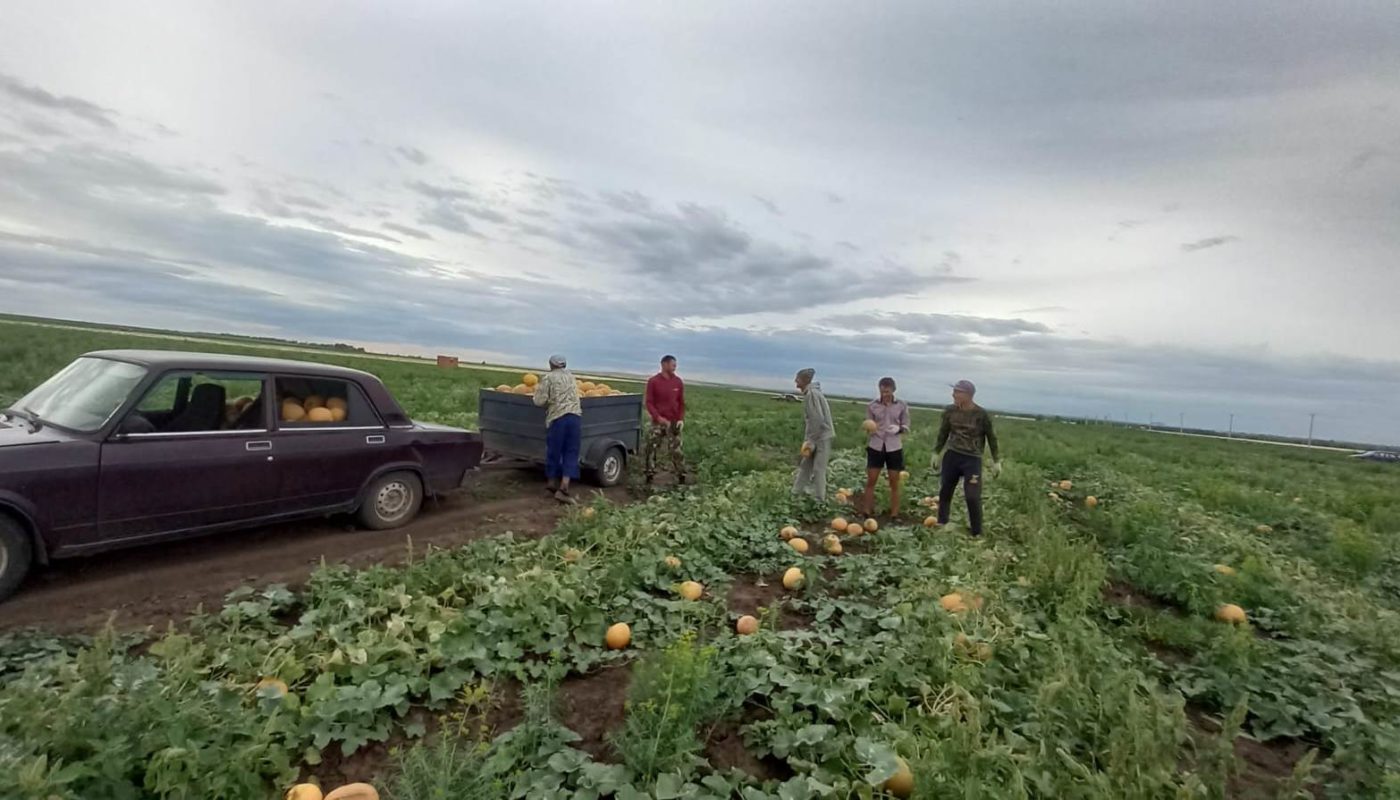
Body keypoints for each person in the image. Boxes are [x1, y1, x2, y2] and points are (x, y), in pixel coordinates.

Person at [931, 379, 1001, 536]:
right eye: (954, 391)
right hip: (952, 456)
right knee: (945, 491)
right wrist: (936, 452)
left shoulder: (981, 414)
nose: (953, 394)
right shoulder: (949, 411)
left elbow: (991, 437)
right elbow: (943, 432)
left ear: (968, 395)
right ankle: (942, 523)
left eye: (957, 392)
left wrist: (996, 461)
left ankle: (976, 532)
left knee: (972, 496)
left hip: (972, 459)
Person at [532, 354, 583, 504]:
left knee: (554, 450)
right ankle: (564, 487)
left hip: (558, 418)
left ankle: (551, 485)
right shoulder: (572, 377)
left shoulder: (548, 378)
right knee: (571, 451)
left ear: (551, 365)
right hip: (575, 417)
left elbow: (539, 401)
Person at [860, 377, 910, 518]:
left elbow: (907, 426)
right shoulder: (872, 405)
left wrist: (899, 429)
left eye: (887, 391)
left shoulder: (902, 405)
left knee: (894, 481)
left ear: (893, 390)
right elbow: (868, 423)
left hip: (894, 447)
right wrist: (869, 428)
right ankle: (867, 511)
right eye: (882, 392)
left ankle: (894, 514)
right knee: (871, 479)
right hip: (876, 445)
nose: (885, 395)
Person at [644, 354, 688, 485]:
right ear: (664, 364)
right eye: (672, 364)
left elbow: (681, 402)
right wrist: (658, 417)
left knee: (676, 451)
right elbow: (649, 403)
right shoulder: (653, 381)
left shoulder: (678, 382)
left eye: (675, 364)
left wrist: (680, 419)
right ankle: (649, 475)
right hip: (658, 422)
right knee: (651, 448)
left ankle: (681, 476)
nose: (675, 367)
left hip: (674, 422)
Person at [792, 367, 835, 498]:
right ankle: (795, 493)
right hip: (817, 436)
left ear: (804, 380)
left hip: (821, 436)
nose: (795, 381)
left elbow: (817, 419)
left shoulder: (812, 394)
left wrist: (810, 441)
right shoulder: (812, 393)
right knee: (806, 466)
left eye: (797, 379)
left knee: (818, 469)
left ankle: (819, 499)